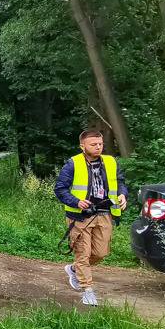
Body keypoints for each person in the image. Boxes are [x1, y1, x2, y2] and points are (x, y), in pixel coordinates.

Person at [54, 129, 128, 307]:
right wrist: (76, 201)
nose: (98, 147)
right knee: (83, 254)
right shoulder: (72, 163)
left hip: (104, 213)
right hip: (80, 216)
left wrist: (123, 195)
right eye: (93, 144)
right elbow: (60, 189)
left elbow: (120, 182)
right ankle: (87, 291)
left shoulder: (110, 161)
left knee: (101, 253)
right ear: (82, 146)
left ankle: (73, 269)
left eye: (100, 144)